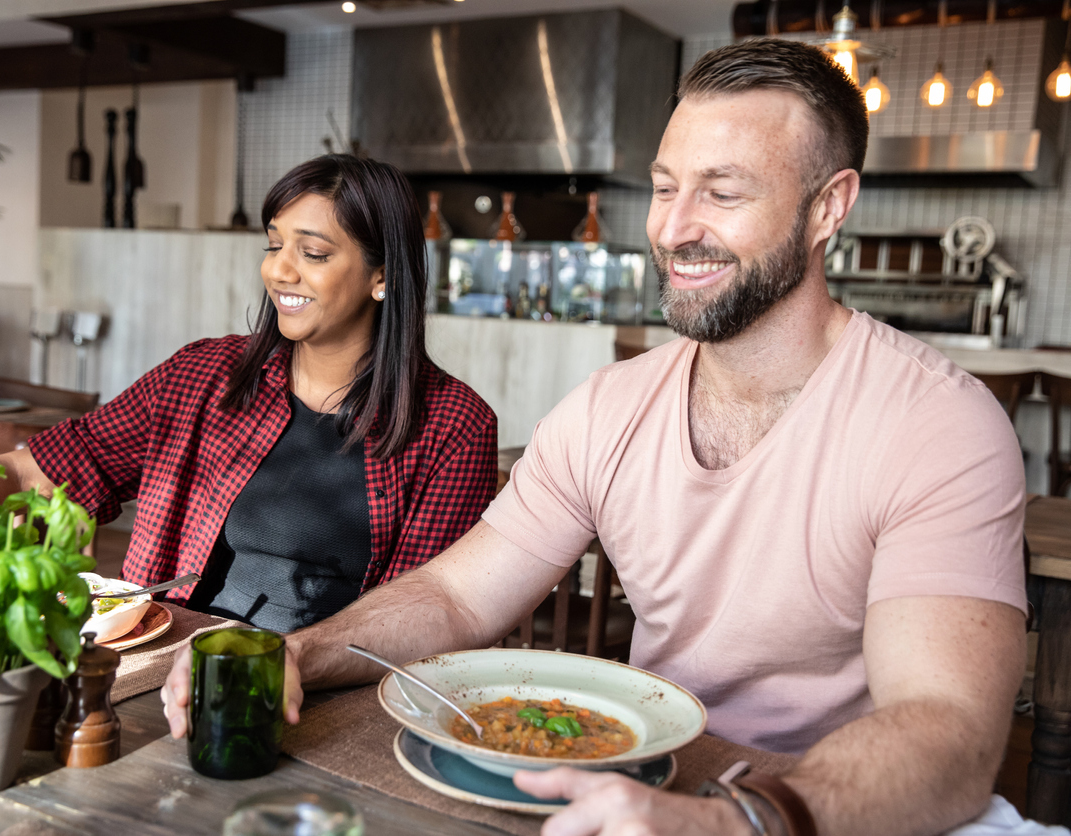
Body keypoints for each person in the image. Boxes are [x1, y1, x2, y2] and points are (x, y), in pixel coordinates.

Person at [161, 42, 1029, 835]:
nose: (673, 226)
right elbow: (462, 599)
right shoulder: (607, 408)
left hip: (822, 812)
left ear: (828, 208)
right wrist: (297, 652)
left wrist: (730, 824)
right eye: (663, 186)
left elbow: (949, 736)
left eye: (723, 193)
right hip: (623, 782)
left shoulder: (936, 425)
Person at [0, 154, 499, 638]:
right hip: (164, 656)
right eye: (273, 245)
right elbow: (47, 467)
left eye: (313, 253)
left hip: (331, 690)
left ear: (382, 277)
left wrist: (293, 661)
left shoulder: (453, 426)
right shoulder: (204, 376)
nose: (279, 270)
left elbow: (422, 614)